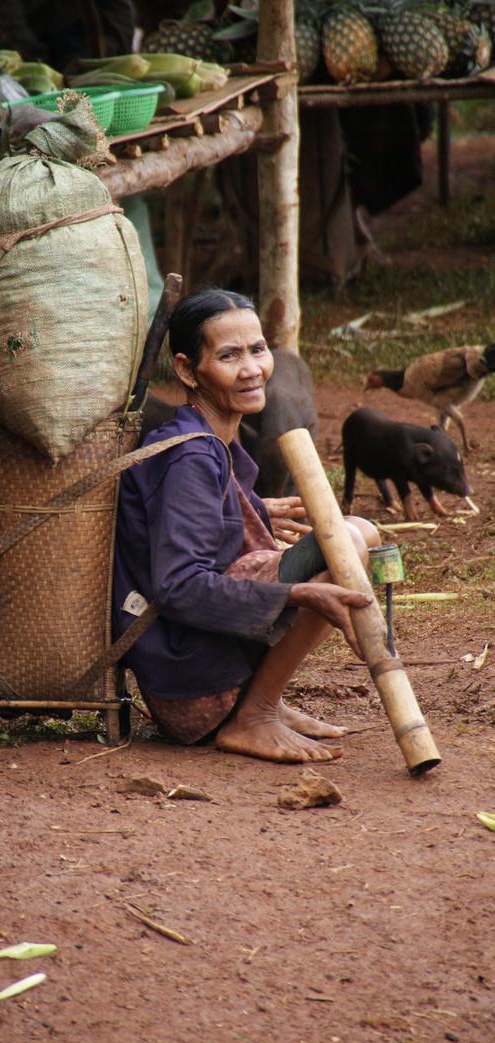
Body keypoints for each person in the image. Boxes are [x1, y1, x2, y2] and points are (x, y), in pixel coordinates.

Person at [113, 288, 380, 763]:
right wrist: (297, 594)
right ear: (185, 369)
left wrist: (250, 504)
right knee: (351, 542)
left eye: (258, 350)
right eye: (228, 356)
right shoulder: (191, 457)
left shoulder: (206, 439)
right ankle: (252, 715)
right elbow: (178, 587)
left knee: (360, 531)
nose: (252, 368)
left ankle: (266, 701)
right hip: (191, 687)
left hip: (203, 664)